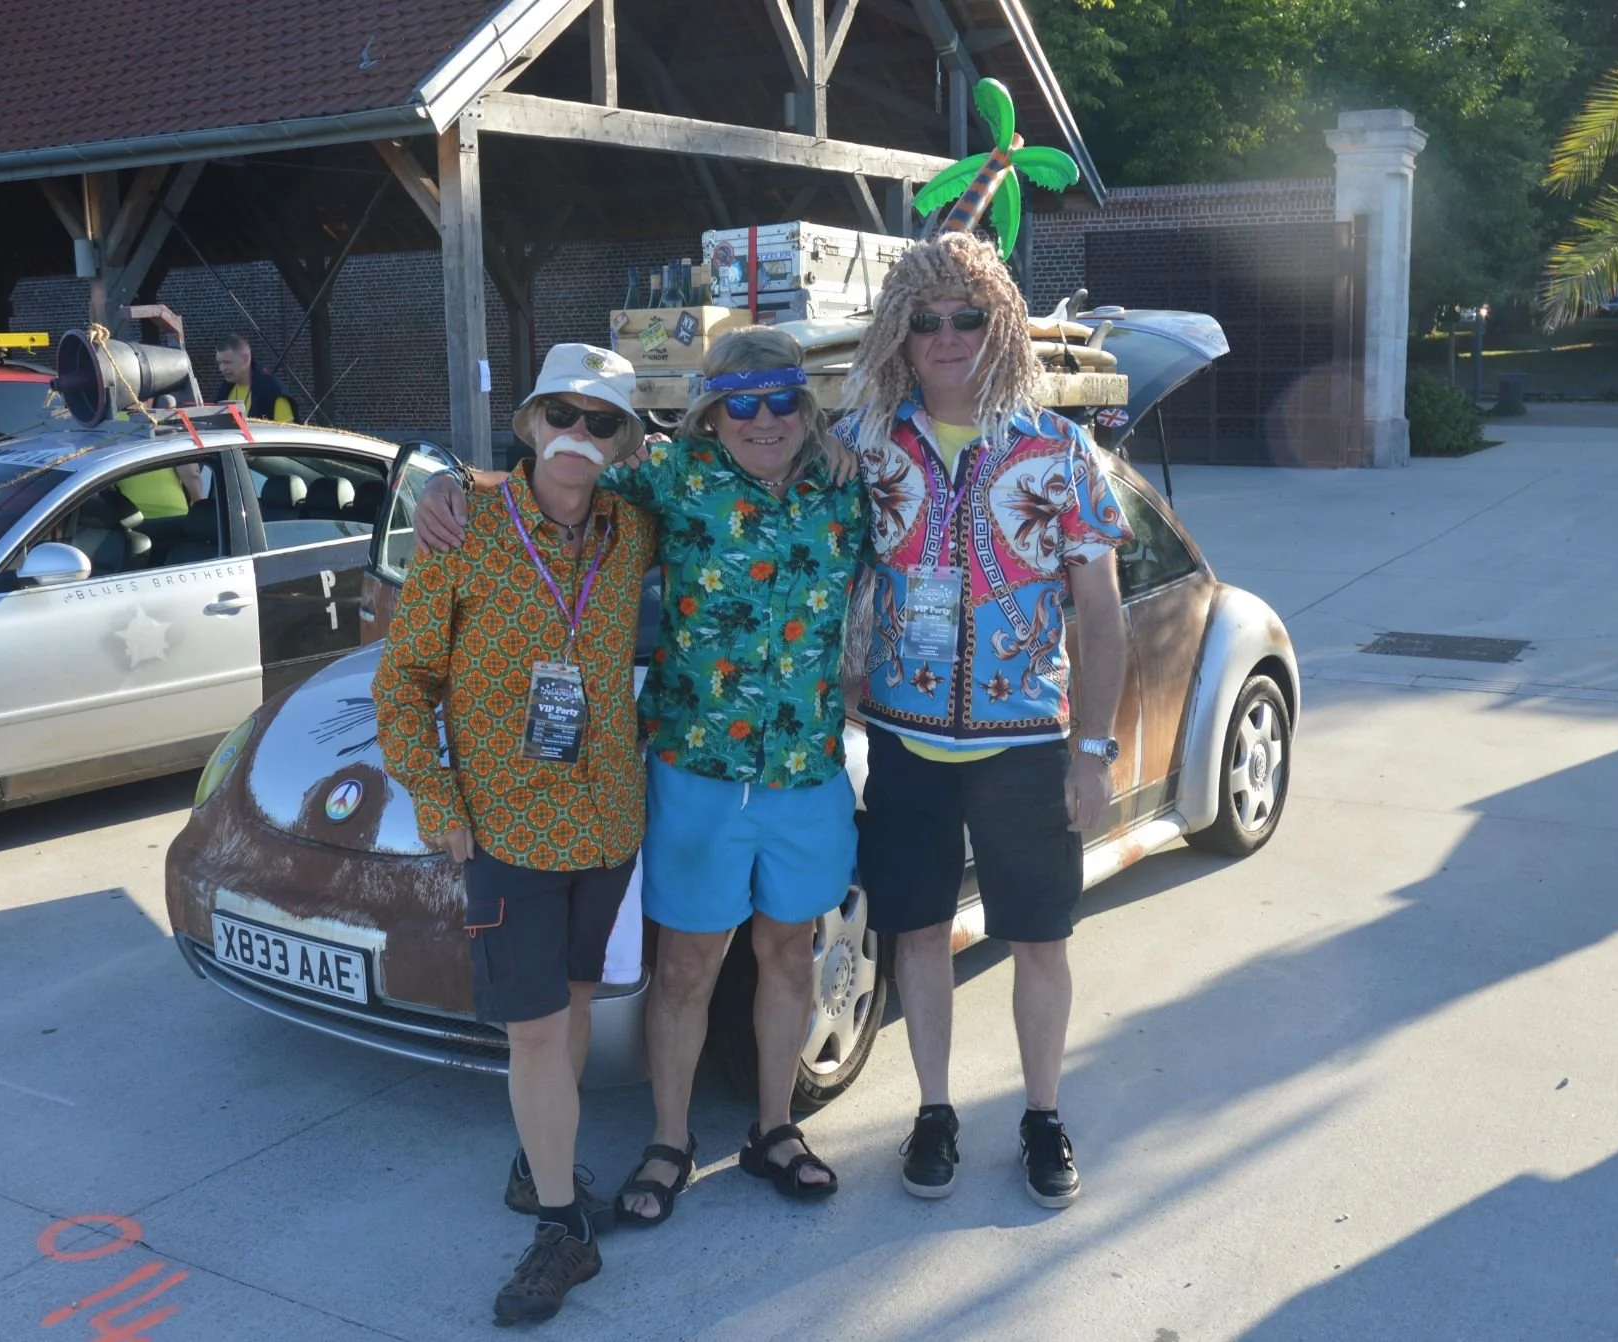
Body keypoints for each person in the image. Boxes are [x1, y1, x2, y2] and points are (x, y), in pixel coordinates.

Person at [415, 326, 869, 1225]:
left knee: (789, 954)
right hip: (694, 770)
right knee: (688, 967)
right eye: (741, 403)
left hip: (806, 771)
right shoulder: (671, 478)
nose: (764, 419)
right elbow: (556, 478)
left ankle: (775, 1129)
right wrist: (451, 484)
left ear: (807, 408)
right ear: (710, 414)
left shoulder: (848, 488)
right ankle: (669, 1140)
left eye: (782, 400)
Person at [832, 231, 1133, 1209]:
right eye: (926, 320)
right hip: (904, 740)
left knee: (1039, 939)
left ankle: (1043, 1115)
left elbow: (1102, 615)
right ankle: (934, 1111)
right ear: (901, 333)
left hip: (1024, 744)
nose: (948, 335)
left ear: (999, 325)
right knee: (919, 933)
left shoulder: (1058, 452)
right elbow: (756, 482)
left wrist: (1093, 751)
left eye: (969, 316)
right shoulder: (866, 447)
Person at [372, 344, 655, 1324]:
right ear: (531, 423)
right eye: (561, 414)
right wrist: (440, 807)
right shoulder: (463, 531)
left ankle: (543, 1164)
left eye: (601, 421)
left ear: (623, 441)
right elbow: (404, 682)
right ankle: (563, 1228)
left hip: (605, 822)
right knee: (533, 1028)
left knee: (570, 1008)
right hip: (506, 827)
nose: (579, 434)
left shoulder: (632, 529)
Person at [215, 333, 296, 422]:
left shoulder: (273, 392)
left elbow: (287, 429)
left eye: (227, 362)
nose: (222, 368)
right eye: (219, 363)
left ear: (245, 359)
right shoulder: (224, 392)